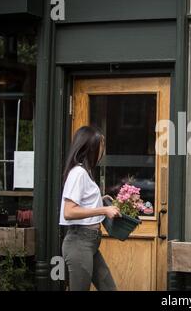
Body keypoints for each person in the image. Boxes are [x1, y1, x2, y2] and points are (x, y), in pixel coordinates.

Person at [59, 125, 120, 291]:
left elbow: (80, 203)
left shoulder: (84, 173)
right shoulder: (78, 173)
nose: (103, 151)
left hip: (90, 243)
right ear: (91, 148)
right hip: (79, 242)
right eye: (101, 146)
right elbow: (69, 211)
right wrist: (104, 210)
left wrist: (99, 200)